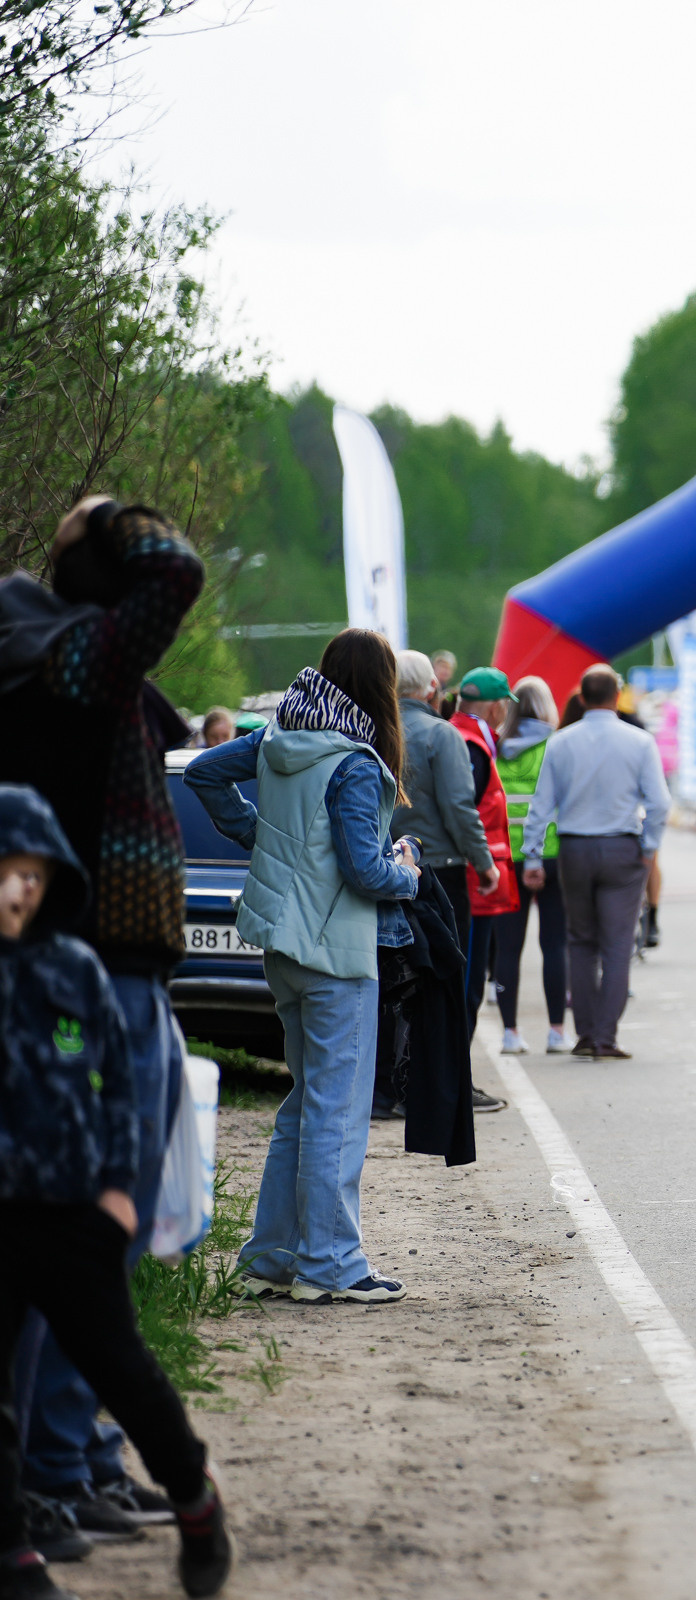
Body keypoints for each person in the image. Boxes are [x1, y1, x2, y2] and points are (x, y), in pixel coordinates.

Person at [0, 494, 201, 1549]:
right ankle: (48, 1468)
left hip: (129, 971)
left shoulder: (78, 659)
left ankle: (77, 1457)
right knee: (70, 1231)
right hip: (89, 978)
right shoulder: (61, 660)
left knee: (110, 1231)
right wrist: (104, 513)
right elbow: (176, 572)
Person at [0, 785, 236, 1600]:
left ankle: (194, 1498)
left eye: (34, 874)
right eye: (7, 872)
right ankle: (12, 1551)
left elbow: (118, 1090)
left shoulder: (76, 969)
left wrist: (116, 1189)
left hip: (73, 1215)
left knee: (122, 1369)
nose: (20, 888)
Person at [186, 632, 423, 1303]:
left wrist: (259, 834)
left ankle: (272, 1257)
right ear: (380, 687)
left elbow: (204, 772)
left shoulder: (278, 737)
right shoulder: (353, 762)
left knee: (304, 1102)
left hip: (282, 948)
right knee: (337, 1112)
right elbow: (363, 868)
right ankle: (331, 1266)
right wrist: (407, 872)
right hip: (336, 952)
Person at [520, 666, 670, 1060]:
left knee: (581, 941)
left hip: (574, 849)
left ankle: (584, 1034)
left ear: (582, 698)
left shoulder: (561, 742)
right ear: (616, 695)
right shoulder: (639, 742)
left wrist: (533, 854)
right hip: (622, 848)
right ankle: (606, 1036)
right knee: (618, 944)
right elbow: (659, 801)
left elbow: (541, 805)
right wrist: (648, 844)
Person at [393, 649, 500, 948]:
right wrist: (484, 864)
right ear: (430, 686)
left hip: (382, 869)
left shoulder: (372, 731)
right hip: (438, 870)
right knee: (446, 974)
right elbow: (459, 808)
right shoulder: (442, 734)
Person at [449, 670, 520, 1096]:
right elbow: (466, 813)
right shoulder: (474, 746)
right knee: (468, 987)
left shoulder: (456, 736)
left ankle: (454, 1080)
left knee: (464, 986)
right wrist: (486, 867)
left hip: (469, 877)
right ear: (495, 707)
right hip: (475, 881)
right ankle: (458, 1083)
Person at [492, 676, 569, 1055]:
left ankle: (510, 1033)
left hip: (507, 858)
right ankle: (557, 1032)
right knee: (555, 945)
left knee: (508, 948)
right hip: (552, 856)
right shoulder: (556, 745)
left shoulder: (496, 745)